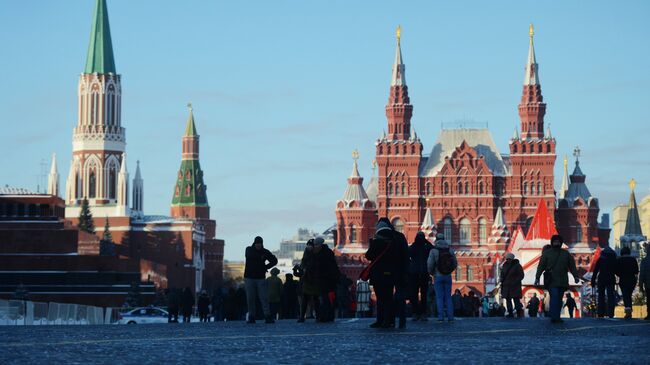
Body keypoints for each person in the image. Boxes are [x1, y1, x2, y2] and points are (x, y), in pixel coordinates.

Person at [365, 218, 408, 328]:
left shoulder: (378, 239)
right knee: (389, 297)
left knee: (381, 298)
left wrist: (372, 244)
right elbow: (404, 255)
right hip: (394, 272)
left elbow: (369, 255)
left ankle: (382, 320)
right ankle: (391, 320)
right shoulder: (398, 237)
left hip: (378, 273)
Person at [534, 235, 580, 323]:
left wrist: (576, 276)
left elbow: (572, 266)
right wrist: (537, 277)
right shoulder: (547, 253)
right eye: (555, 242)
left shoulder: (566, 254)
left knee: (559, 299)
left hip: (562, 280)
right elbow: (541, 266)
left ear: (561, 243)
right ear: (552, 242)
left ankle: (557, 316)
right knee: (554, 297)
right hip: (551, 280)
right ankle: (554, 317)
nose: (557, 243)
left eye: (558, 242)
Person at [244, 236, 278, 324]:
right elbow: (250, 256)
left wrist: (266, 267)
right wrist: (262, 260)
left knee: (264, 298)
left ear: (262, 244)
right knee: (250, 298)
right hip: (249, 277)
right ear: (254, 243)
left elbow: (274, 260)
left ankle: (267, 316)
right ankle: (252, 316)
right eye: (257, 243)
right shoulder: (249, 250)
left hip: (260, 278)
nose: (258, 245)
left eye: (260, 243)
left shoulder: (264, 252)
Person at [427, 233, 458, 322]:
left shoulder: (433, 251)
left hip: (438, 276)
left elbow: (429, 264)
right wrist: (448, 271)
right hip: (448, 276)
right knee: (448, 297)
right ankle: (450, 317)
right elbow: (455, 263)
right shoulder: (450, 250)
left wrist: (431, 273)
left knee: (439, 297)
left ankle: (441, 318)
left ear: (436, 239)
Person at [312, 237, 340, 323]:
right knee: (326, 299)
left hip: (325, 279)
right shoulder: (327, 252)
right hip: (326, 279)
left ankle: (325, 316)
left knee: (324, 299)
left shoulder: (322, 253)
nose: (314, 246)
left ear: (319, 245)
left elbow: (322, 267)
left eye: (316, 245)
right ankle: (328, 316)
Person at [409, 232, 434, 321]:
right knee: (424, 295)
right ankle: (423, 313)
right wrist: (427, 242)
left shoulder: (413, 247)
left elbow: (407, 254)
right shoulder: (426, 247)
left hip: (414, 274)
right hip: (424, 273)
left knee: (414, 294)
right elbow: (433, 248)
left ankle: (415, 313)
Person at [295, 240, 320, 322]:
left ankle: (316, 316)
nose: (309, 247)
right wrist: (300, 269)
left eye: (310, 245)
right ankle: (303, 316)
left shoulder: (315, 255)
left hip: (313, 279)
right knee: (306, 299)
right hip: (307, 280)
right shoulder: (308, 255)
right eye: (308, 245)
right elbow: (303, 266)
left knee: (315, 299)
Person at [591, 241, 617, 318]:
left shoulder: (600, 259)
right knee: (611, 296)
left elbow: (595, 270)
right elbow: (617, 270)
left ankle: (600, 313)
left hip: (601, 278)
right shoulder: (614, 259)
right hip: (611, 278)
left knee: (601, 296)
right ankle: (611, 313)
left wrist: (593, 280)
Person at [616, 247, 639, 319]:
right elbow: (636, 271)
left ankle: (628, 310)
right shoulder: (633, 259)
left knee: (625, 295)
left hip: (623, 279)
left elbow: (616, 271)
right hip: (632, 279)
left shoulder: (619, 260)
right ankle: (629, 310)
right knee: (629, 294)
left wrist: (620, 274)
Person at [500, 252, 524, 318]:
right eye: (507, 259)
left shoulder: (517, 266)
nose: (508, 260)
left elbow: (521, 275)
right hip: (506, 286)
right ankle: (510, 313)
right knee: (508, 300)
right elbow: (502, 275)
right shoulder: (504, 265)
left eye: (509, 259)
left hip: (514, 286)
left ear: (512, 259)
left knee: (516, 300)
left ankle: (518, 313)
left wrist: (515, 282)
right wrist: (502, 280)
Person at [640, 243, 650, 320]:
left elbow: (642, 273)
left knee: (649, 299)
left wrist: (640, 285)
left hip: (648, 284)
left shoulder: (644, 260)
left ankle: (649, 314)